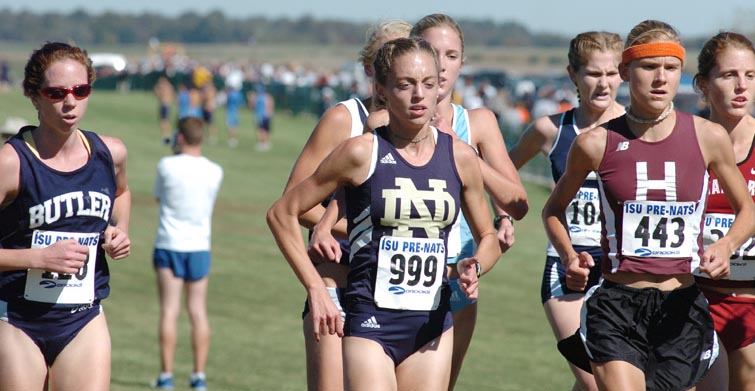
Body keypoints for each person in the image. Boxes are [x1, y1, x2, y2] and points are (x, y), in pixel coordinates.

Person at [268, 36, 508, 391]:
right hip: (369, 320)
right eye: (405, 85)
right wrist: (315, 288)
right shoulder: (360, 152)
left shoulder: (460, 157)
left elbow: (489, 237)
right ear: (381, 89)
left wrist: (473, 266)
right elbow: (281, 213)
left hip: (431, 323)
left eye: (428, 84)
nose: (419, 95)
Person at [543, 20, 755, 391]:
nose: (660, 78)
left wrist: (725, 245)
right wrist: (568, 256)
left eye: (671, 68)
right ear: (626, 71)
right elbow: (553, 210)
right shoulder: (596, 143)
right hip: (617, 305)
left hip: (682, 307)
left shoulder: (708, 137)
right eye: (648, 66)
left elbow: (748, 209)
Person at [282, 20, 412, 391]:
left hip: (398, 293)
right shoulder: (345, 118)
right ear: (370, 68)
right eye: (388, 59)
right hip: (337, 282)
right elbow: (295, 203)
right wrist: (371, 226)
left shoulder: (424, 131)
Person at [0, 41, 131, 390]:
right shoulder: (11, 163)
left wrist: (120, 229)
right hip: (17, 319)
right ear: (34, 95)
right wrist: (37, 257)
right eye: (56, 92)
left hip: (83, 317)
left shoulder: (110, 153)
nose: (70, 102)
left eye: (80, 90)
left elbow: (121, 192)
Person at [409, 14, 527, 388]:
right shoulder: (383, 124)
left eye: (452, 55)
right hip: (388, 282)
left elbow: (517, 202)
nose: (442, 65)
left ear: (462, 62)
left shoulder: (476, 123)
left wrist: (464, 155)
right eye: (431, 52)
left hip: (457, 278)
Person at [508, 31, 625, 391]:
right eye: (593, 73)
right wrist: (503, 216)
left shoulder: (637, 129)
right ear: (573, 74)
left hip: (621, 268)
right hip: (566, 265)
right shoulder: (551, 130)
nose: (603, 83)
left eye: (611, 73)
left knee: (611, 380)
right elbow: (502, 172)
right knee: (597, 380)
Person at [692, 32, 755, 391]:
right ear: (703, 83)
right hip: (691, 300)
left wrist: (730, 245)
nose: (741, 85)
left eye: (749, 75)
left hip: (750, 301)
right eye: (729, 75)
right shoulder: (682, 142)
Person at [151, 116, 223, 391]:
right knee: (198, 312)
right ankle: (198, 376)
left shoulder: (166, 165)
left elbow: (159, 197)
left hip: (169, 243)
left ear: (180, 137)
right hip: (199, 246)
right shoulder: (214, 171)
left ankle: (167, 376)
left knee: (169, 311)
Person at [250, 83, 274, 151]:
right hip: (267, 115)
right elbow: (270, 106)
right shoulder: (268, 97)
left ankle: (262, 143)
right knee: (266, 130)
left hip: (260, 115)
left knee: (261, 129)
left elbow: (253, 106)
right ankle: (266, 143)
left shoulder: (258, 97)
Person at [154, 74, 176, 146]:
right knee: (165, 121)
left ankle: (167, 137)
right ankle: (167, 137)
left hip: (165, 105)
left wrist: (157, 89)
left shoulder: (164, 87)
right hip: (167, 105)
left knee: (164, 122)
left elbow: (158, 95)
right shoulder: (170, 87)